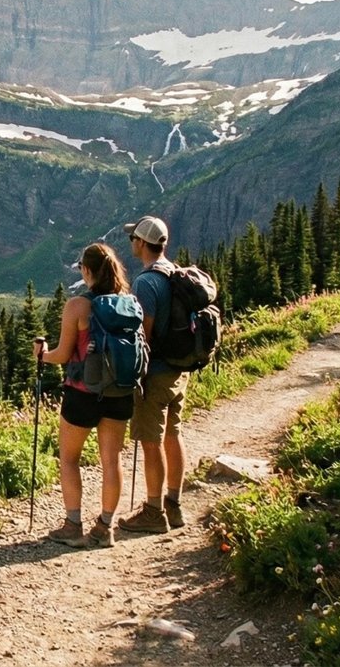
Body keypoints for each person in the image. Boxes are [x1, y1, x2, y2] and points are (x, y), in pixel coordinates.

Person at [33, 241, 133, 548]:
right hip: (119, 391)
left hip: (82, 393)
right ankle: (105, 527)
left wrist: (42, 354)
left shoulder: (77, 306)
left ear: (87, 270)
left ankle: (73, 525)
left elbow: (64, 355)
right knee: (111, 459)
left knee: (69, 458)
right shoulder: (129, 303)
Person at [119, 215, 188, 534]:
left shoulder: (146, 281)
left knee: (150, 441)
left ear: (143, 244)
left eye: (134, 238)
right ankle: (173, 504)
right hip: (178, 370)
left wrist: (137, 373)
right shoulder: (174, 272)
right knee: (172, 435)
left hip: (155, 373)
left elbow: (142, 332)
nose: (131, 242)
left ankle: (153, 511)